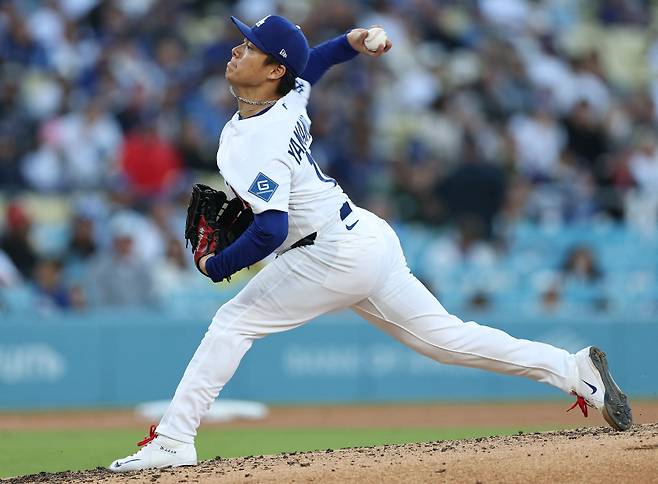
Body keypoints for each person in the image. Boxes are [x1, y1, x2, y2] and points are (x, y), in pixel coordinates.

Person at [109, 15, 632, 472]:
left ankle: (175, 439)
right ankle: (572, 369)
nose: (236, 49)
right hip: (362, 236)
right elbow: (311, 66)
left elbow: (269, 231)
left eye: (250, 47)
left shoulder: (255, 141)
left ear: (272, 72)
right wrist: (352, 42)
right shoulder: (288, 95)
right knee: (446, 340)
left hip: (329, 253)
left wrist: (220, 265)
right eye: (242, 42)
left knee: (231, 322)